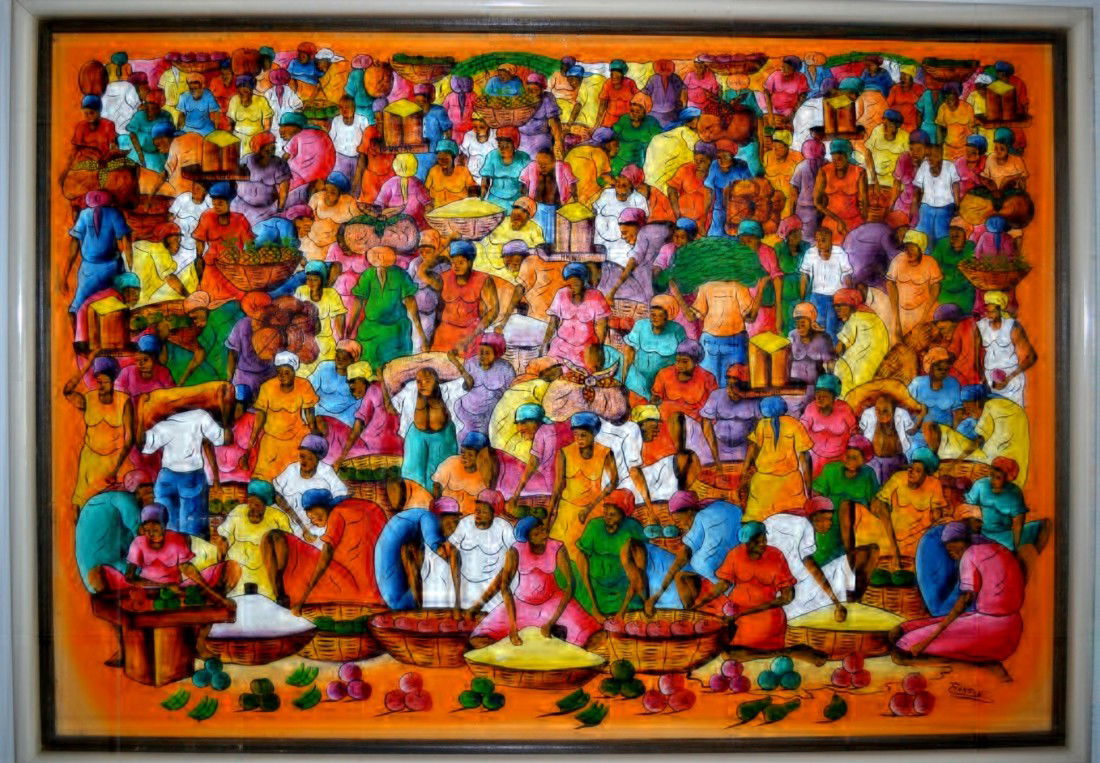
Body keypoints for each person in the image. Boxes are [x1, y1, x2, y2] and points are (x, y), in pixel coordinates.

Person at [891, 520, 1024, 681]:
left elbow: (964, 601)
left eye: (951, 549)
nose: (951, 554)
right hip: (1011, 629)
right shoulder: (999, 549)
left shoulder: (970, 554)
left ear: (961, 541)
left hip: (992, 631)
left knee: (902, 648)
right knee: (901, 630)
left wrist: (928, 640)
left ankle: (980, 664)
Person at [695, 522, 825, 665]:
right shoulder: (735, 555)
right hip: (736, 619)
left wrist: (747, 612)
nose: (763, 544)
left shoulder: (776, 556)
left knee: (743, 657)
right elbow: (724, 584)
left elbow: (788, 597)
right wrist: (700, 603)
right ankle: (789, 651)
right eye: (757, 541)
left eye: (764, 539)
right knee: (729, 655)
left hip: (767, 618)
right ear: (746, 543)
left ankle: (783, 653)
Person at [468, 516, 602, 649]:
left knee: (593, 637)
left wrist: (552, 622)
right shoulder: (515, 550)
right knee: (479, 639)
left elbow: (570, 584)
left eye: (543, 529)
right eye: (536, 534)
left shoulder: (557, 547)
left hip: (553, 602)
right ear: (528, 539)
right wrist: (513, 626)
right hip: (521, 604)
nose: (544, 535)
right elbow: (504, 586)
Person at [96, 504, 235, 609]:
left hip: (176, 590)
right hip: (147, 590)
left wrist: (213, 594)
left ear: (163, 526)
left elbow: (187, 569)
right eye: (147, 530)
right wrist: (162, 586)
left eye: (155, 529)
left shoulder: (176, 539)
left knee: (228, 570)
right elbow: (130, 577)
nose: (151, 534)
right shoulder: (138, 543)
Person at [264, 488, 382, 611]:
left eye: (312, 516)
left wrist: (302, 600)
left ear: (321, 507)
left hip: (350, 588)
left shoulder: (337, 513)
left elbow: (326, 555)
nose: (313, 521)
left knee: (273, 537)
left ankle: (279, 597)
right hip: (374, 590)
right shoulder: (361, 506)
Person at [640, 491, 742, 612]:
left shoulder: (700, 518)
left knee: (684, 571)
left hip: (722, 572)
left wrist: (657, 595)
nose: (682, 524)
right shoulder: (720, 506)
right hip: (736, 551)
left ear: (689, 511)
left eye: (680, 520)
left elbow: (681, 559)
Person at [139, 400, 228, 539]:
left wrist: (139, 413)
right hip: (190, 476)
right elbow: (222, 438)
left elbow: (144, 444)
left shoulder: (164, 425)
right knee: (192, 531)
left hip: (166, 477)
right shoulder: (200, 416)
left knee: (168, 529)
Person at [812, 437, 882, 595]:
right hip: (830, 527)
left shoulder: (868, 474)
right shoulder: (831, 470)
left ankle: (854, 591)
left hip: (856, 531)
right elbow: (816, 496)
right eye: (848, 456)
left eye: (855, 458)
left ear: (865, 460)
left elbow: (874, 503)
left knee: (870, 552)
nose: (850, 460)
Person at [764, 498, 853, 620]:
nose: (830, 524)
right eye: (826, 519)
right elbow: (812, 567)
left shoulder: (796, 519)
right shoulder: (805, 525)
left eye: (830, 519)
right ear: (815, 518)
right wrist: (835, 601)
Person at [65, 355, 134, 511]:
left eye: (105, 382)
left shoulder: (124, 401)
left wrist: (116, 468)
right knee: (82, 504)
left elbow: (129, 439)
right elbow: (67, 391)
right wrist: (88, 364)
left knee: (117, 505)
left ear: (113, 381)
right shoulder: (88, 399)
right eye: (98, 381)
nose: (101, 385)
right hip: (90, 460)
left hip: (116, 460)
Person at [549, 412, 619, 563]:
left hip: (593, 508)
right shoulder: (564, 453)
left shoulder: (605, 452)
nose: (579, 439)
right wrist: (549, 516)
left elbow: (614, 482)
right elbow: (558, 486)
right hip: (568, 509)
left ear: (593, 434)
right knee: (563, 553)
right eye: (576, 435)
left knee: (593, 553)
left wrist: (590, 508)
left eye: (583, 435)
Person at [961, 457, 1049, 573]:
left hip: (1005, 536)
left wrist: (1015, 548)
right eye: (991, 475)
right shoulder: (981, 485)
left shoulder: (1014, 493)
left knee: (1044, 525)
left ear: (1007, 479)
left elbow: (1018, 525)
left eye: (998, 477)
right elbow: (967, 508)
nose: (992, 480)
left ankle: (1035, 565)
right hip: (982, 533)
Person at [863, 448, 948, 562]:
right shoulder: (898, 478)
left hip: (918, 542)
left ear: (926, 475)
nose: (911, 472)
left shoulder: (934, 484)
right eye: (911, 468)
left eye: (918, 470)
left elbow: (937, 516)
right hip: (893, 538)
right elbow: (878, 503)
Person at [246, 352, 320, 481]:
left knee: (296, 476)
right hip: (272, 438)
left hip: (296, 436)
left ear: (294, 372)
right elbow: (260, 416)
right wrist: (251, 442)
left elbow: (309, 413)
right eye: (279, 372)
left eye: (287, 372)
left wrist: (314, 433)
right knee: (263, 478)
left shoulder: (304, 385)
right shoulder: (267, 387)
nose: (283, 376)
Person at [347, 246, 423, 370]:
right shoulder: (368, 275)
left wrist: (421, 333)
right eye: (376, 255)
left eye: (384, 255)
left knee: (395, 368)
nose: (380, 258)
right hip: (371, 328)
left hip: (396, 330)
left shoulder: (400, 275)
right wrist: (349, 330)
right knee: (367, 366)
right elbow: (358, 301)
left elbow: (410, 302)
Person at [76, 471, 152, 595]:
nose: (153, 495)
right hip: (107, 569)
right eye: (148, 490)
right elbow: (141, 535)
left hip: (101, 570)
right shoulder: (125, 499)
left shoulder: (107, 499)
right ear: (136, 489)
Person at [572, 489, 645, 617]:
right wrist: (593, 605)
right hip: (595, 586)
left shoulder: (633, 527)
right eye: (605, 513)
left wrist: (622, 611)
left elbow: (640, 565)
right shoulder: (594, 526)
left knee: (634, 606)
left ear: (623, 515)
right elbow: (581, 557)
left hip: (623, 587)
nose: (607, 518)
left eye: (613, 515)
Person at [214, 479, 292, 598]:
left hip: (265, 568)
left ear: (265, 505)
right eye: (250, 503)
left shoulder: (278, 517)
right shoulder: (238, 511)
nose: (252, 508)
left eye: (257, 505)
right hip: (238, 566)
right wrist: (219, 568)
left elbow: (287, 545)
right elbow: (224, 538)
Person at [442, 491, 517, 611]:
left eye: (484, 511)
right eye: (477, 510)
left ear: (494, 514)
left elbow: (514, 554)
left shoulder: (504, 527)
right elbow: (449, 547)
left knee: (512, 555)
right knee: (453, 552)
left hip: (492, 587)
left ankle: (478, 606)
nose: (478, 514)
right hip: (465, 584)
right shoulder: (465, 523)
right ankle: (457, 603)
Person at [743, 396, 814, 521]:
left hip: (763, 484)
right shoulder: (794, 424)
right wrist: (808, 488)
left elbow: (752, 448)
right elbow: (805, 457)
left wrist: (745, 471)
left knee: (758, 523)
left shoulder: (762, 424)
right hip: (790, 485)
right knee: (791, 523)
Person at [63, 191, 132, 318]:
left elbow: (126, 241)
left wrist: (129, 269)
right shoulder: (88, 215)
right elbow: (126, 241)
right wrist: (130, 268)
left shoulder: (110, 214)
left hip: (109, 268)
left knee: (112, 308)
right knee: (78, 308)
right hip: (92, 269)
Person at [328, 361, 403, 474]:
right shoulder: (385, 388)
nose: (351, 389)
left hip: (373, 449)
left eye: (352, 383)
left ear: (362, 381)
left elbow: (356, 430)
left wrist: (341, 458)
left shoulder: (371, 391)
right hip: (396, 447)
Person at [272, 434, 348, 541]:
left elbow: (341, 494)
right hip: (289, 519)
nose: (304, 461)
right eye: (302, 456)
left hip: (318, 522)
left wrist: (323, 514)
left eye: (310, 458)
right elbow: (276, 492)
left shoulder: (326, 471)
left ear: (317, 460)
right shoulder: (292, 469)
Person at [428, 241, 498, 355]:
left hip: (470, 336)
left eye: (461, 262)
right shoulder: (444, 277)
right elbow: (437, 310)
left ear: (470, 262)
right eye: (453, 262)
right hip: (443, 335)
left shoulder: (484, 280)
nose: (456, 266)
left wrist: (471, 337)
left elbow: (494, 310)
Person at [192, 182, 255, 301]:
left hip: (235, 270)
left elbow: (250, 246)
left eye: (220, 203)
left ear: (229, 202)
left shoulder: (240, 220)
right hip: (212, 268)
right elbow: (199, 244)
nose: (216, 206)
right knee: (209, 299)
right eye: (214, 203)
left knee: (239, 300)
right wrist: (199, 260)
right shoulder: (207, 216)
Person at [400, 368, 459, 494]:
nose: (422, 384)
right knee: (412, 472)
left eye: (427, 381)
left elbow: (467, 384)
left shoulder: (448, 391)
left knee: (439, 474)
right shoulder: (410, 392)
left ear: (436, 381)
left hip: (442, 437)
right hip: (416, 436)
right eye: (419, 381)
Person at [622, 294, 687, 402]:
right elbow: (629, 352)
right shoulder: (640, 325)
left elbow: (684, 354)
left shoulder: (677, 330)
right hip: (640, 379)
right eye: (652, 314)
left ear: (667, 316)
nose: (655, 318)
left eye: (660, 315)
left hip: (666, 381)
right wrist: (624, 377)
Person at [544, 262, 610, 366]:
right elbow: (553, 322)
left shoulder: (596, 296)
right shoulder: (561, 294)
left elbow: (602, 326)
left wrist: (598, 349)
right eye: (569, 285)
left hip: (585, 350)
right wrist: (545, 343)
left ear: (584, 282)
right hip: (561, 347)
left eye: (575, 284)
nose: (572, 288)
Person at [977, 290, 1036, 406]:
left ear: (1001, 310)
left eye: (992, 311)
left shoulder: (1012, 327)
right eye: (987, 311)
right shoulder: (980, 326)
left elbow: (1031, 357)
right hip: (990, 381)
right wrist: (983, 377)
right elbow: (977, 356)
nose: (988, 315)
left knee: (1013, 413)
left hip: (1012, 379)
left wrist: (1009, 378)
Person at [451, 333, 516, 437]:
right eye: (480, 352)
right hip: (467, 411)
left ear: (496, 353)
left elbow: (511, 395)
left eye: (487, 353)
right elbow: (465, 386)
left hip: (491, 415)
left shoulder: (506, 368)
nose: (482, 356)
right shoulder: (471, 363)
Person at [832, 288, 890, 396]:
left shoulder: (855, 318)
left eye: (841, 305)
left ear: (851, 305)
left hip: (858, 369)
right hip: (875, 367)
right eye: (835, 306)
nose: (837, 310)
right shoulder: (874, 318)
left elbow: (840, 347)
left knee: (839, 367)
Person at [799, 226, 853, 341]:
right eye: (817, 240)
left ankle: (834, 351)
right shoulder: (810, 253)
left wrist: (849, 300)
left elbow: (847, 276)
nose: (819, 244)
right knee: (818, 328)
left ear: (830, 240)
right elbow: (804, 277)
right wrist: (802, 300)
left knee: (833, 330)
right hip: (817, 297)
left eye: (823, 240)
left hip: (836, 298)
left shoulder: (840, 252)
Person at [887, 229, 943, 337]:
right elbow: (890, 284)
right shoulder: (898, 260)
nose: (909, 251)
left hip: (924, 311)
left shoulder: (930, 263)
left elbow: (936, 287)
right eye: (907, 247)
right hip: (901, 312)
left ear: (921, 248)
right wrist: (896, 319)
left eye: (913, 247)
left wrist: (924, 317)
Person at [800, 374, 858, 476]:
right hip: (816, 458)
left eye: (824, 396)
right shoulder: (811, 409)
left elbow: (854, 431)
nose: (819, 399)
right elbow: (801, 430)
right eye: (817, 394)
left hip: (841, 458)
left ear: (833, 397)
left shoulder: (844, 409)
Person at [519, 149, 577, 244]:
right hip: (536, 208)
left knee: (554, 237)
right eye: (539, 163)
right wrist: (523, 203)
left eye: (546, 164)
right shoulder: (532, 166)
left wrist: (575, 201)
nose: (542, 166)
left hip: (556, 208)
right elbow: (523, 183)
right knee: (538, 235)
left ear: (553, 162)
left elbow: (572, 183)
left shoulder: (563, 167)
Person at [225, 292, 277, 396]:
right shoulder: (242, 325)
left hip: (267, 376)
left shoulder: (273, 324)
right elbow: (232, 353)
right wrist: (229, 379)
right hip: (245, 378)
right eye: (266, 307)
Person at [232, 132, 291, 225]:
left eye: (272, 148)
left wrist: (280, 208)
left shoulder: (279, 164)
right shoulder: (246, 159)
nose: (270, 151)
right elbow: (235, 179)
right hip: (240, 206)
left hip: (265, 211)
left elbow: (284, 188)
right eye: (266, 149)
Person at [281, 111, 337, 208]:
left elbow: (284, 158)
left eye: (285, 127)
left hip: (300, 179)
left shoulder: (298, 136)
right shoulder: (325, 136)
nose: (282, 131)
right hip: (322, 177)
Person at [814, 139, 867, 237]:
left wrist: (865, 224)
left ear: (848, 156)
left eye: (840, 158)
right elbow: (817, 202)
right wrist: (838, 220)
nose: (836, 162)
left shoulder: (859, 172)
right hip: (831, 220)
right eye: (834, 159)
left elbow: (863, 201)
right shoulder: (824, 172)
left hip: (854, 222)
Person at [911, 143, 960, 246]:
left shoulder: (949, 166)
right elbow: (917, 187)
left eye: (932, 156)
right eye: (927, 156)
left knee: (942, 235)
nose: (929, 159)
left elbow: (955, 185)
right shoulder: (924, 166)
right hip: (926, 207)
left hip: (946, 207)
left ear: (940, 156)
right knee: (924, 234)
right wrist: (914, 203)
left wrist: (957, 203)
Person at [592, 172, 648, 263]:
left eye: (624, 185)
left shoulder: (639, 199)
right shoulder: (607, 193)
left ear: (632, 187)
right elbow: (595, 209)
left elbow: (642, 223)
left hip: (624, 245)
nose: (619, 188)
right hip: (602, 243)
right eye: (618, 184)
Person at [705, 139, 752, 237]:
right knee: (715, 235)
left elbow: (750, 188)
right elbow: (709, 189)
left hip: (737, 206)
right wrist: (707, 209)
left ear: (732, 156)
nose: (721, 160)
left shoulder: (742, 166)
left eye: (725, 157)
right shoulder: (714, 165)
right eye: (718, 157)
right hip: (719, 206)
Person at [930, 220, 977, 314]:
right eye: (951, 236)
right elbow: (932, 265)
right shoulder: (942, 244)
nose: (952, 240)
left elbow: (972, 268)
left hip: (964, 294)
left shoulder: (971, 247)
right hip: (944, 292)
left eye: (957, 236)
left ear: (966, 235)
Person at [787, 301, 835, 390]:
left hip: (816, 388)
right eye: (797, 323)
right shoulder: (792, 335)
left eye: (803, 323)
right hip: (794, 388)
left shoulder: (823, 339)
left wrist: (829, 385)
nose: (799, 327)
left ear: (811, 322)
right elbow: (787, 361)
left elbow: (830, 365)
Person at [374, 153, 431, 229]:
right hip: (394, 226)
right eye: (402, 165)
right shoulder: (390, 184)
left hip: (416, 226)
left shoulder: (417, 184)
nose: (404, 168)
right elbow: (378, 205)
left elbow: (428, 204)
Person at [667, 145, 714, 234]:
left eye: (702, 161)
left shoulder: (714, 174)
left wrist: (703, 221)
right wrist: (677, 214)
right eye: (696, 160)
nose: (697, 164)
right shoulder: (686, 169)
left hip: (705, 222)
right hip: (683, 220)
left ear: (710, 161)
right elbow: (671, 189)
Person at [480, 127, 530, 209]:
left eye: (506, 146)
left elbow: (526, 185)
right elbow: (485, 181)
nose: (502, 149)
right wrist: (481, 200)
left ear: (514, 145)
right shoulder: (492, 155)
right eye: (499, 145)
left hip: (516, 200)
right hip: (495, 199)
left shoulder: (523, 158)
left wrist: (524, 203)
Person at [789, 137, 826, 240]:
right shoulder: (826, 164)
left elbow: (794, 191)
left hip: (809, 209)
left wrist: (791, 213)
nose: (814, 162)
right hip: (810, 209)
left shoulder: (801, 166)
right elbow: (794, 191)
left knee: (809, 238)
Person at [329, 94, 370, 179]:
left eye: (347, 107)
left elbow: (367, 139)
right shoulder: (336, 120)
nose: (344, 110)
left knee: (355, 182)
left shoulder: (362, 120)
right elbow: (330, 139)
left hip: (357, 158)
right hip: (339, 158)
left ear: (353, 108)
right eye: (341, 107)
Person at [425, 140, 476, 208]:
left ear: (453, 157)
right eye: (440, 159)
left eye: (446, 159)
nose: (442, 162)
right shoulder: (433, 171)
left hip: (460, 210)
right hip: (437, 211)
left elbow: (473, 192)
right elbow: (425, 191)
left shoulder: (463, 171)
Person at [934, 82, 976, 161]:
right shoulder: (943, 108)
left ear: (957, 96)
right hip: (948, 149)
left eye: (950, 98)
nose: (947, 101)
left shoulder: (968, 108)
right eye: (945, 98)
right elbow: (939, 128)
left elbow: (973, 130)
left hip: (964, 149)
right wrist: (939, 146)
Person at [595, 59, 638, 129]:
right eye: (612, 73)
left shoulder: (630, 83)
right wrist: (596, 126)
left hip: (627, 122)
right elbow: (602, 107)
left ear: (623, 74)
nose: (614, 76)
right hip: (609, 123)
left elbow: (638, 101)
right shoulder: (608, 84)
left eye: (617, 73)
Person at [643, 59, 686, 128]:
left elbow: (683, 89)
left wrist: (683, 103)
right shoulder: (653, 79)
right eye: (662, 70)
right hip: (654, 112)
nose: (665, 73)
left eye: (667, 70)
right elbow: (646, 92)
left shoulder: (675, 78)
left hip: (672, 112)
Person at [459, 113, 498, 184]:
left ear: (488, 125)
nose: (478, 130)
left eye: (482, 127)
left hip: (493, 177)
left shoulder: (495, 135)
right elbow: (463, 157)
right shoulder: (469, 135)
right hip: (473, 177)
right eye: (475, 127)